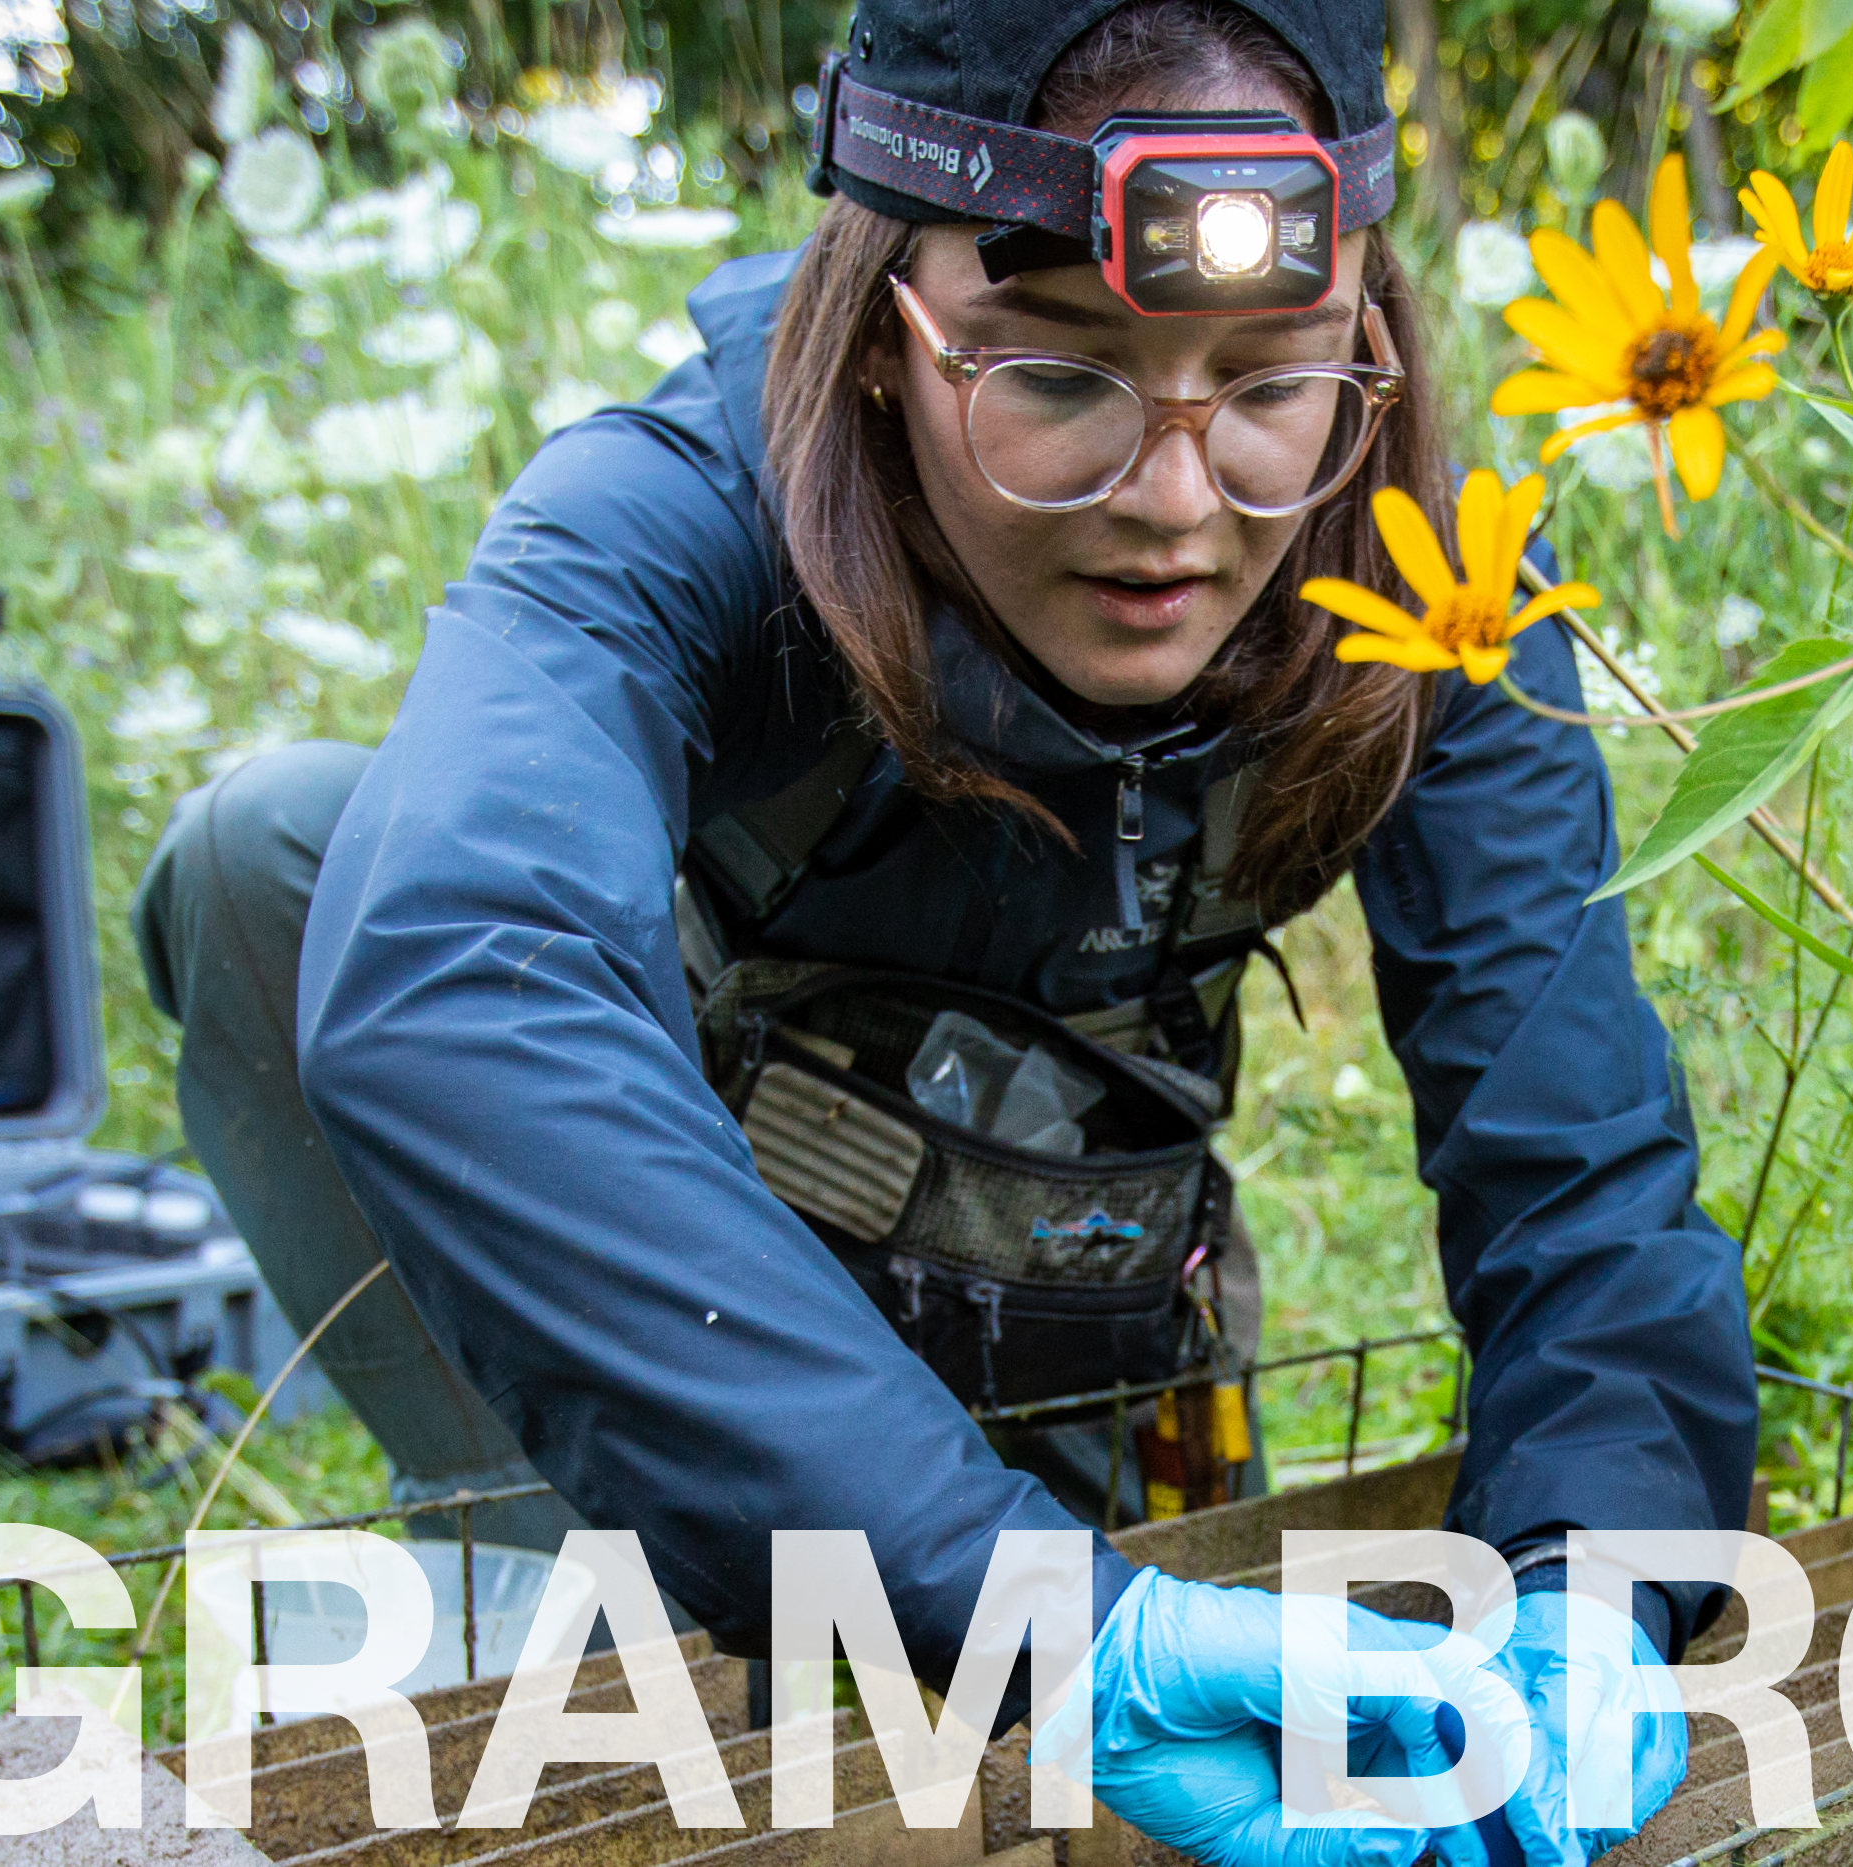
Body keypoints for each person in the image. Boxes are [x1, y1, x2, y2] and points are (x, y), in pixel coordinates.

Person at [128, 2, 1756, 1861]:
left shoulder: (1430, 578)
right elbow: (453, 968)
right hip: (694, 1267)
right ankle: (546, 1568)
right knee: (281, 856)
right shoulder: (677, 511)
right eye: (1059, 379)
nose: (1175, 503)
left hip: (1064, 1287)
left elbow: (1572, 1137)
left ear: (1370, 332)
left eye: (1275, 380)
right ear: (889, 330)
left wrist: (1595, 1583)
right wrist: (1053, 1632)